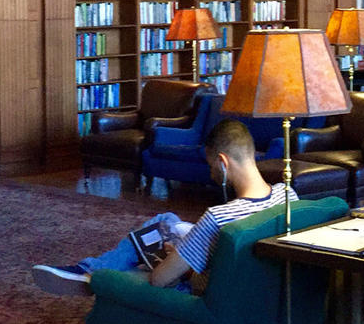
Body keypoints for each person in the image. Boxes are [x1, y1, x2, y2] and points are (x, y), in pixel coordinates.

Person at [31, 118, 292, 297]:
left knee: (155, 252)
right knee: (166, 220)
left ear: (223, 163)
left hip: (201, 292)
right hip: (257, 286)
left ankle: (91, 273)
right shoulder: (288, 195)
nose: (211, 172)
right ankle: (89, 270)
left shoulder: (217, 218)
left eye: (211, 166)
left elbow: (159, 280)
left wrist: (180, 261)